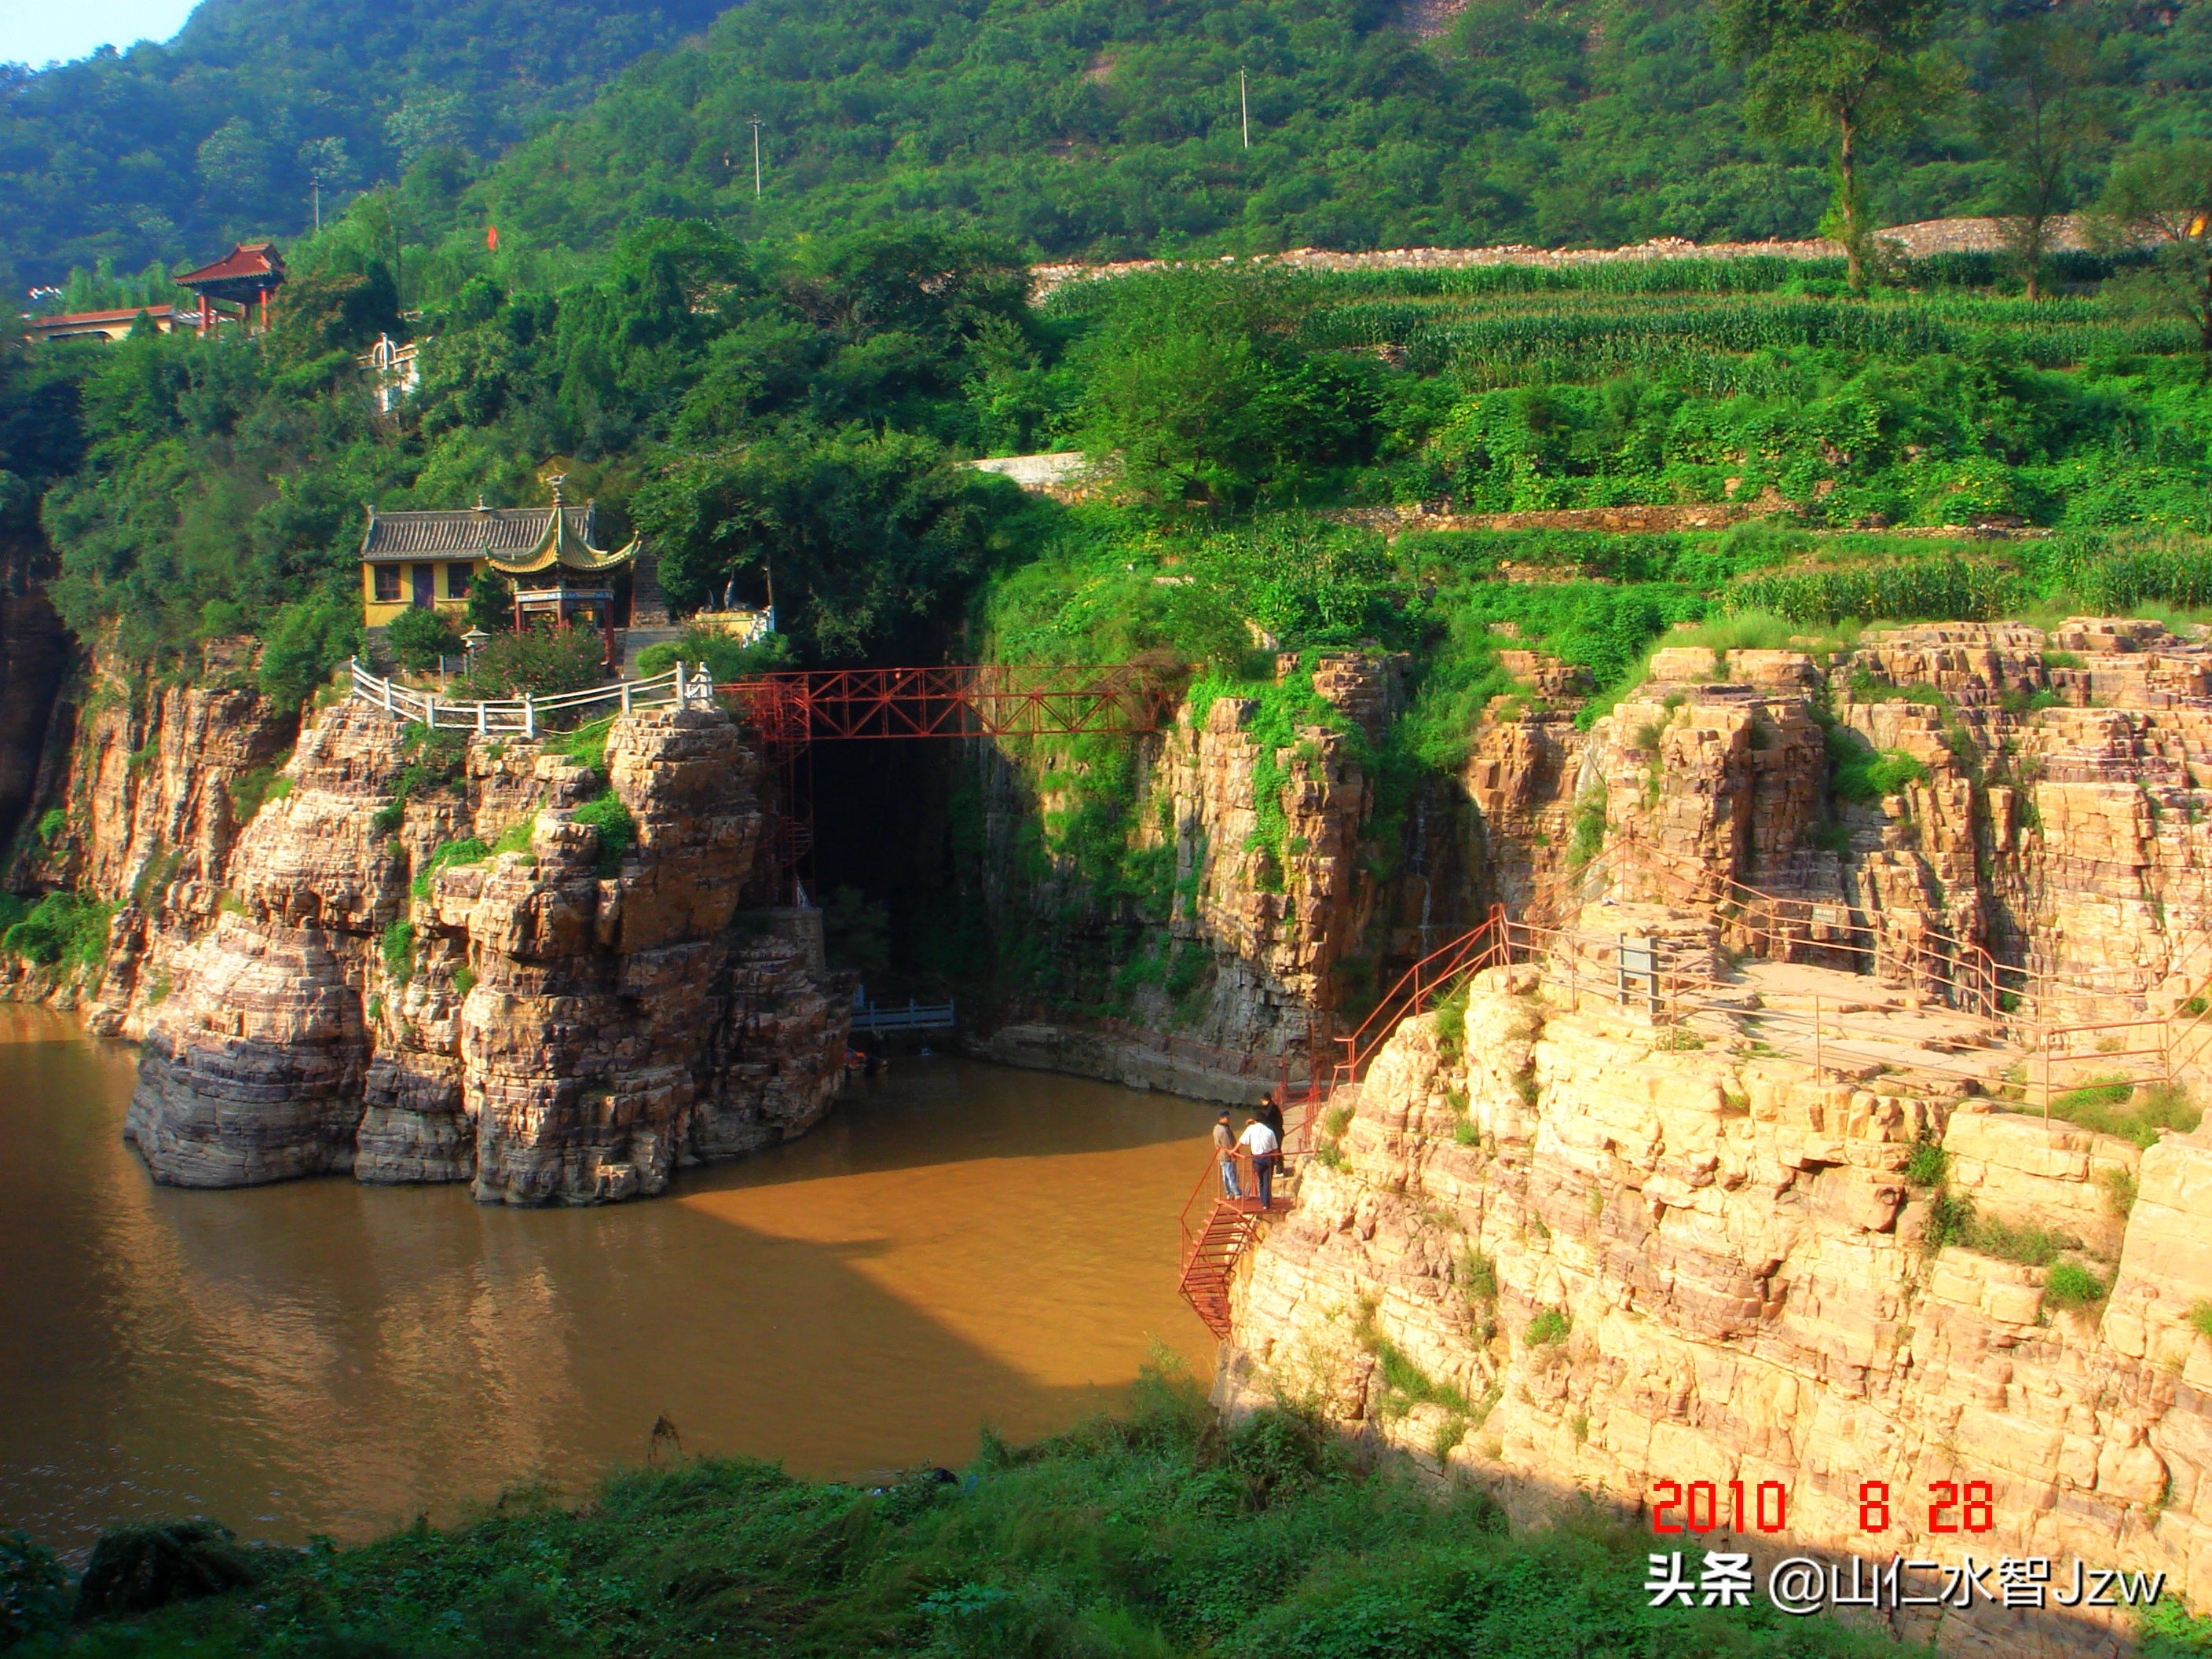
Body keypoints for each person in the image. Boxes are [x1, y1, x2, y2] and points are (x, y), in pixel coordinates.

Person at [1239, 1111, 1281, 1209]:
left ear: (1255, 1120)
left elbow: (1242, 1141)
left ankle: (1263, 1200)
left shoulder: (1251, 1129)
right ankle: (1266, 1203)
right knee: (1267, 1181)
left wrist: (1234, 1150)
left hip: (1257, 1159)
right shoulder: (1270, 1131)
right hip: (1268, 1158)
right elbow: (1275, 1148)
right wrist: (1276, 1159)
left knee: (1261, 1180)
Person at [1212, 1109, 1242, 1199]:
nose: (1229, 1120)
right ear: (1221, 1118)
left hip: (1221, 1155)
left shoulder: (1217, 1128)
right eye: (1227, 1118)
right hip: (1227, 1156)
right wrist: (1234, 1155)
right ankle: (1236, 1193)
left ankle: (1229, 1193)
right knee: (1230, 1174)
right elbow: (1228, 1144)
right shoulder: (1224, 1130)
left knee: (1226, 1175)